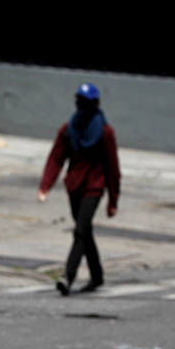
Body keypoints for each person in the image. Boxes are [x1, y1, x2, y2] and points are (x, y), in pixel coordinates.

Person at [38, 83, 121, 295]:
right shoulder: (68, 130)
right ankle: (97, 275)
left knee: (80, 230)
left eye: (86, 102)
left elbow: (113, 168)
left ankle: (68, 276)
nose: (81, 105)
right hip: (74, 188)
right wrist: (45, 186)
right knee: (85, 232)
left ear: (96, 104)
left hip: (94, 187)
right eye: (79, 101)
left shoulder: (105, 133)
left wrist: (113, 199)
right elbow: (56, 158)